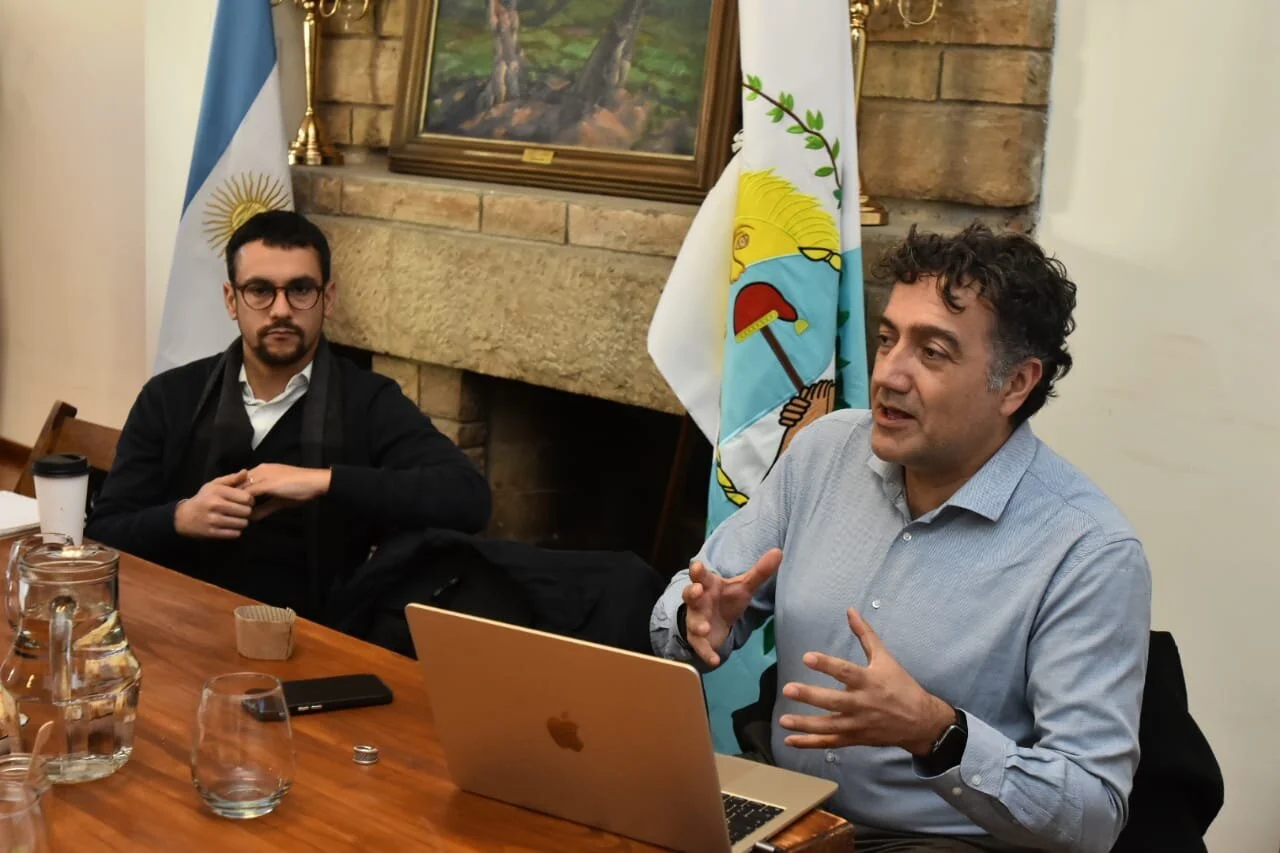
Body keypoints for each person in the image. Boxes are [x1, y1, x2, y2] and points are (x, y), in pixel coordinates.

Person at [651, 224, 1152, 853]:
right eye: (887, 340)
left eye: (932, 352)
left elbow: (1093, 816)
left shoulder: (1089, 552)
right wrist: (695, 621)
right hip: (786, 813)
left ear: (1016, 384)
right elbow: (687, 607)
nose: (889, 374)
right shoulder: (824, 450)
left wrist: (936, 733)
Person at [87, 210, 491, 630]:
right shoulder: (169, 396)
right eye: (260, 290)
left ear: (328, 298)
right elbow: (105, 533)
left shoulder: (369, 401)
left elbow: (468, 497)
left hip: (322, 634)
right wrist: (180, 518)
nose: (281, 310)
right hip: (183, 624)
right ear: (231, 300)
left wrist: (322, 481)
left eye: (300, 290)